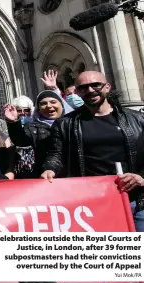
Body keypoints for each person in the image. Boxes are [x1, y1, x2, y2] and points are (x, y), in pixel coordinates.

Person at [42, 71, 144, 233]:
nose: (90, 90)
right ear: (77, 91)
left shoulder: (137, 119)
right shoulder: (65, 124)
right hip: (93, 203)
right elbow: (56, 154)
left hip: (137, 201)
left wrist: (141, 177)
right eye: (83, 87)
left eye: (96, 85)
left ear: (107, 87)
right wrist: (49, 169)